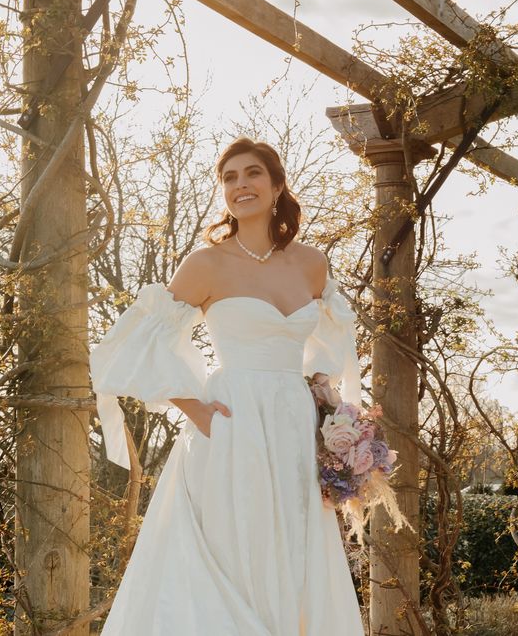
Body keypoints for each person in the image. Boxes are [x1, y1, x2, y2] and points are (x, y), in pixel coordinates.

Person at [91, 137, 364, 635]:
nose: (241, 185)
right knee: (231, 548)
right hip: (231, 423)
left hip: (293, 429)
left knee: (292, 547)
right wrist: (192, 407)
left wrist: (333, 415)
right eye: (230, 178)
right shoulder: (206, 264)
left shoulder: (311, 264)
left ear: (277, 185)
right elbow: (137, 347)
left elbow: (328, 353)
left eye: (253, 174)